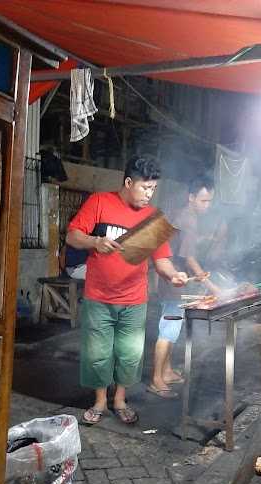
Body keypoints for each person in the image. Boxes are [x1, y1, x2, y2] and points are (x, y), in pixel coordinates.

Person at [66, 154, 188, 425]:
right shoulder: (100, 202)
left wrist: (174, 275)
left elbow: (162, 259)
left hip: (134, 299)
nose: (149, 194)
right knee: (98, 352)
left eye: (153, 189)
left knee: (129, 354)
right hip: (99, 296)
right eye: (145, 188)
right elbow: (72, 235)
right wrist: (95, 241)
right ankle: (99, 401)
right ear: (129, 181)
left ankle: (120, 400)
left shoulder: (153, 217)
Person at [149, 174, 217, 398]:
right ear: (191, 198)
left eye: (210, 201)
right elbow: (188, 258)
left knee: (172, 328)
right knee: (167, 330)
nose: (207, 206)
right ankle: (157, 379)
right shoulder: (188, 220)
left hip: (175, 280)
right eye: (204, 201)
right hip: (173, 281)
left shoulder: (184, 215)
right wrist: (213, 287)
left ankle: (166, 371)